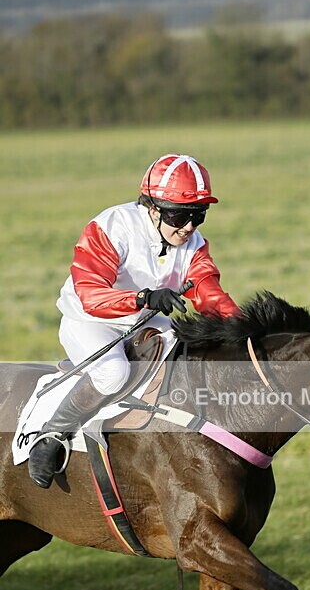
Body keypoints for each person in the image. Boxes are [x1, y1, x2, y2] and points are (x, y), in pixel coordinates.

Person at [28, 153, 241, 488]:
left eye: (198, 216)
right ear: (152, 207)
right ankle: (52, 433)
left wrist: (243, 329)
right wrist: (143, 297)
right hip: (89, 321)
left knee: (193, 351)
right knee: (114, 374)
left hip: (143, 322)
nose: (187, 227)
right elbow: (91, 294)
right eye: (178, 215)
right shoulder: (111, 227)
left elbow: (207, 290)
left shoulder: (193, 243)